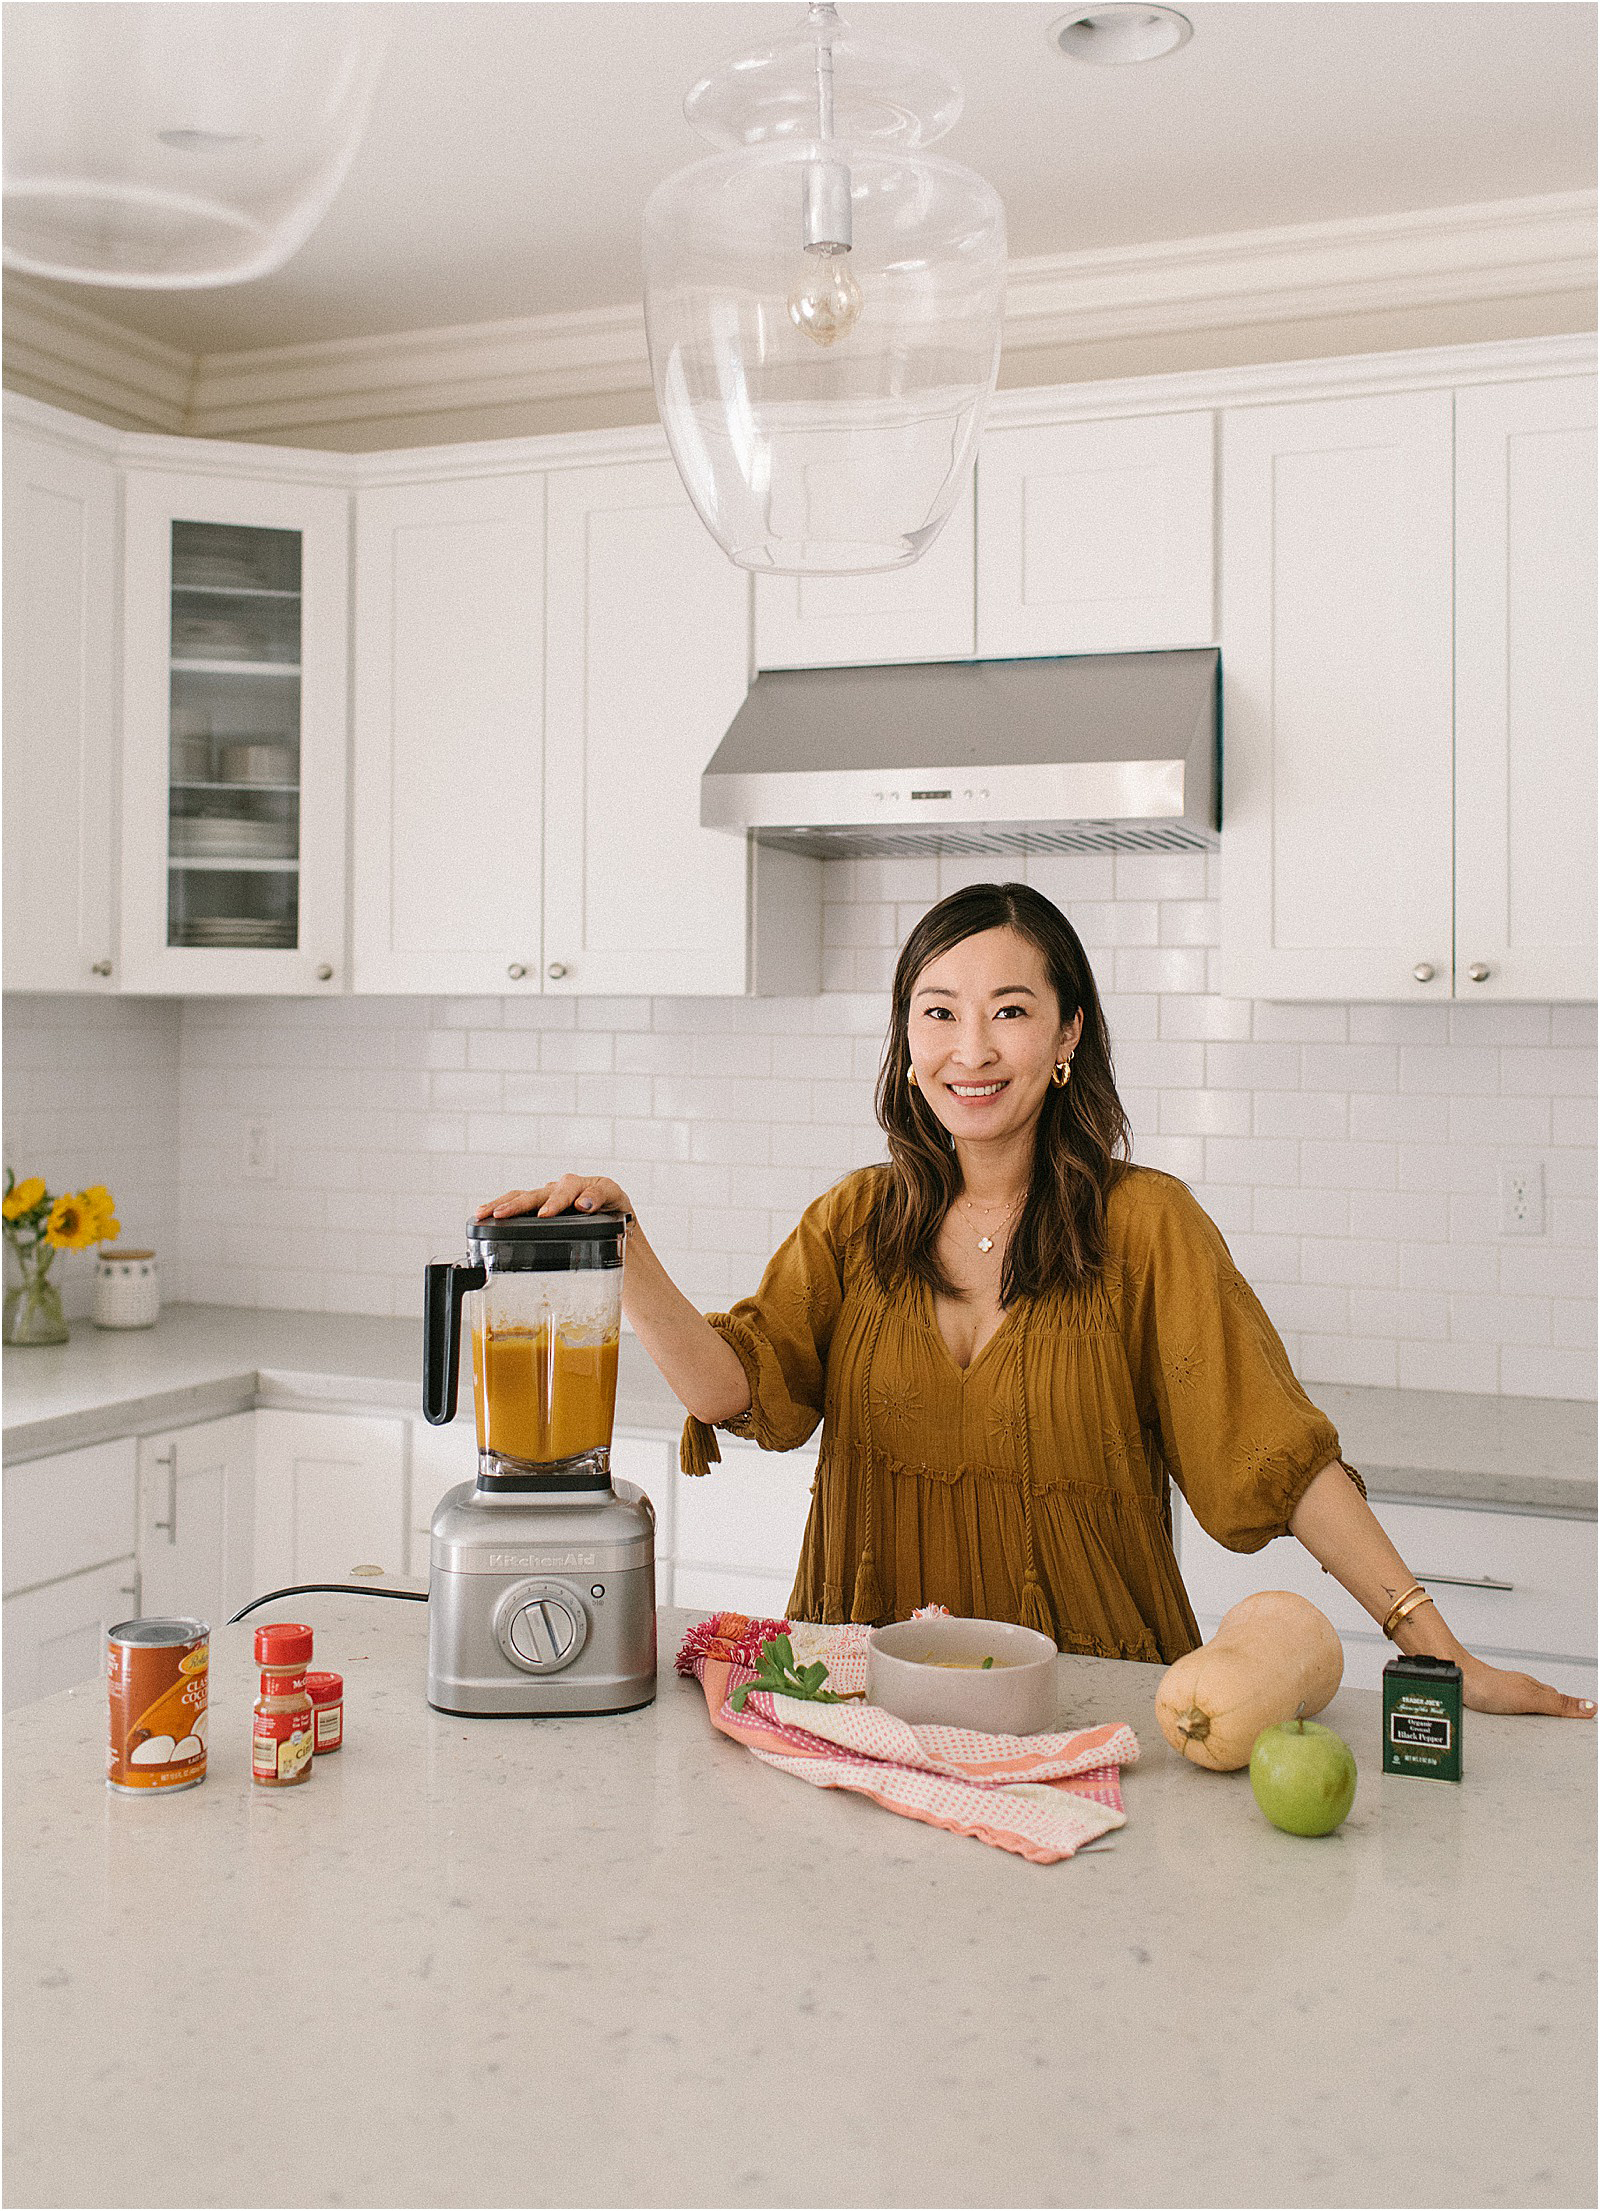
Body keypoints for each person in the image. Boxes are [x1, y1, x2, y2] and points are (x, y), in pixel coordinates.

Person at [480, 880, 1594, 1720]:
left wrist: (1439, 1652)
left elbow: (1280, 1460)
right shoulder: (854, 1222)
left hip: (1097, 1710)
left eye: (1008, 1011)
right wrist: (623, 1255)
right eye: (936, 1012)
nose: (970, 1048)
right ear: (906, 1039)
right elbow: (738, 1392)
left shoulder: (1146, 1227)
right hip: (866, 1712)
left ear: (1066, 1036)